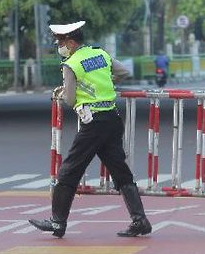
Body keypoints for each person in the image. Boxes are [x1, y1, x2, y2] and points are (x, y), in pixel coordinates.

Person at [29, 21, 152, 238]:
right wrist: (104, 82)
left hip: (93, 123)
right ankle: (140, 220)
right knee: (120, 171)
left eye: (60, 42)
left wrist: (69, 88)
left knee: (69, 171)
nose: (59, 46)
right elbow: (123, 72)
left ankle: (58, 222)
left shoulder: (71, 64)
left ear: (70, 42)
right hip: (112, 119)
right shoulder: (100, 54)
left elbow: (69, 98)